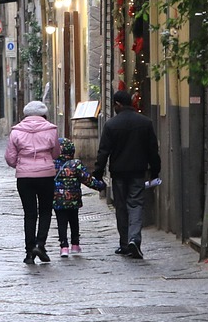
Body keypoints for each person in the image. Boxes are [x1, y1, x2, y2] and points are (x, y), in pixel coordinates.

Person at [93, 90, 161, 259]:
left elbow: (103, 152)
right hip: (138, 172)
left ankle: (124, 244)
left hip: (118, 173)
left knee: (121, 207)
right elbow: (153, 150)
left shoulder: (111, 125)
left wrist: (98, 173)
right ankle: (134, 239)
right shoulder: (145, 123)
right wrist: (155, 171)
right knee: (136, 205)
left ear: (117, 104)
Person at [4, 101, 60, 263]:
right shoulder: (51, 129)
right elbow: (56, 153)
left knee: (29, 214)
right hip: (46, 175)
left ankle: (29, 252)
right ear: (44, 115)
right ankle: (40, 244)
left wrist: (22, 165)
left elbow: (10, 158)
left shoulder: (16, 131)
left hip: (24, 177)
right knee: (45, 211)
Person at [53, 137, 101, 257]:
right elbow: (87, 179)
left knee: (61, 222)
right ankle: (75, 244)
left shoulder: (52, 164)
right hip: (73, 199)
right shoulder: (76, 164)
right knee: (74, 221)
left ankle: (63, 247)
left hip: (58, 199)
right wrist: (100, 186)